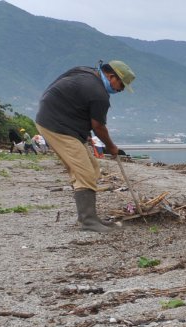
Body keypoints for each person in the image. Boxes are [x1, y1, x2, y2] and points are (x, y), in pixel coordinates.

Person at [34, 59, 135, 233]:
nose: (121, 89)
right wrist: (111, 147)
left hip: (58, 121)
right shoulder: (99, 94)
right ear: (112, 76)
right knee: (85, 172)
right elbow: (98, 127)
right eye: (121, 85)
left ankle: (88, 217)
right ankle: (88, 221)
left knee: (92, 169)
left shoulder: (85, 72)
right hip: (57, 126)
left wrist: (80, 129)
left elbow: (68, 97)